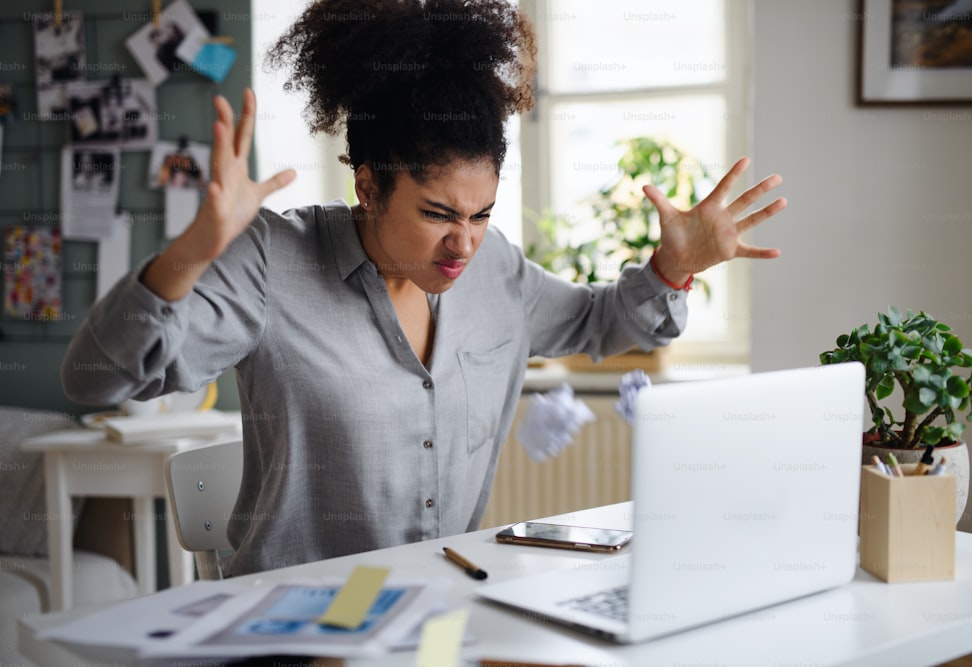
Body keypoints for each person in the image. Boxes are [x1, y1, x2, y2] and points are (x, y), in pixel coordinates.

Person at [61, 0, 786, 578]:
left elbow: (600, 323)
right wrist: (192, 252)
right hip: (298, 627)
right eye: (438, 214)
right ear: (368, 184)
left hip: (440, 616)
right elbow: (98, 376)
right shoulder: (272, 263)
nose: (462, 242)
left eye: (481, 214)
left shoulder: (493, 270)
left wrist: (670, 268)